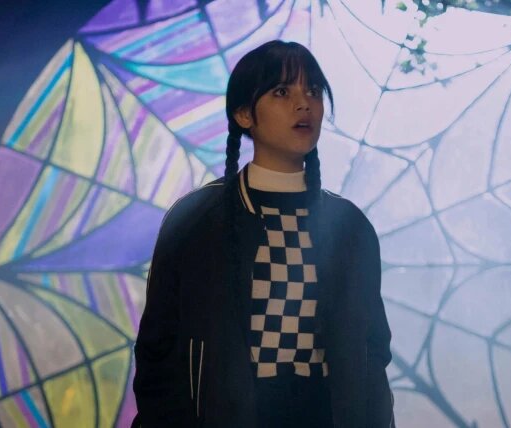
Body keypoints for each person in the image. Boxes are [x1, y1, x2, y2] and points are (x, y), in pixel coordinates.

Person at [132, 40, 394, 428]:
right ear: (243, 114)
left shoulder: (350, 226)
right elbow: (158, 350)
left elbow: (372, 353)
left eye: (313, 90)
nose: (304, 104)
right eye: (282, 92)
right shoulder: (197, 220)